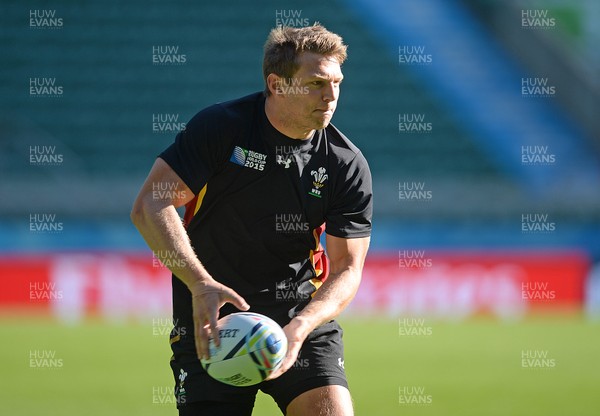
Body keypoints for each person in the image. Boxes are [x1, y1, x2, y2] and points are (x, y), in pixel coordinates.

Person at [131, 23, 372, 416]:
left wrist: (303, 325)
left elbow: (347, 268)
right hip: (213, 320)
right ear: (277, 84)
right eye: (315, 83)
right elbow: (150, 206)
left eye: (337, 82)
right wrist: (201, 284)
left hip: (299, 317)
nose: (331, 96)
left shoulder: (346, 163)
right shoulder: (221, 127)